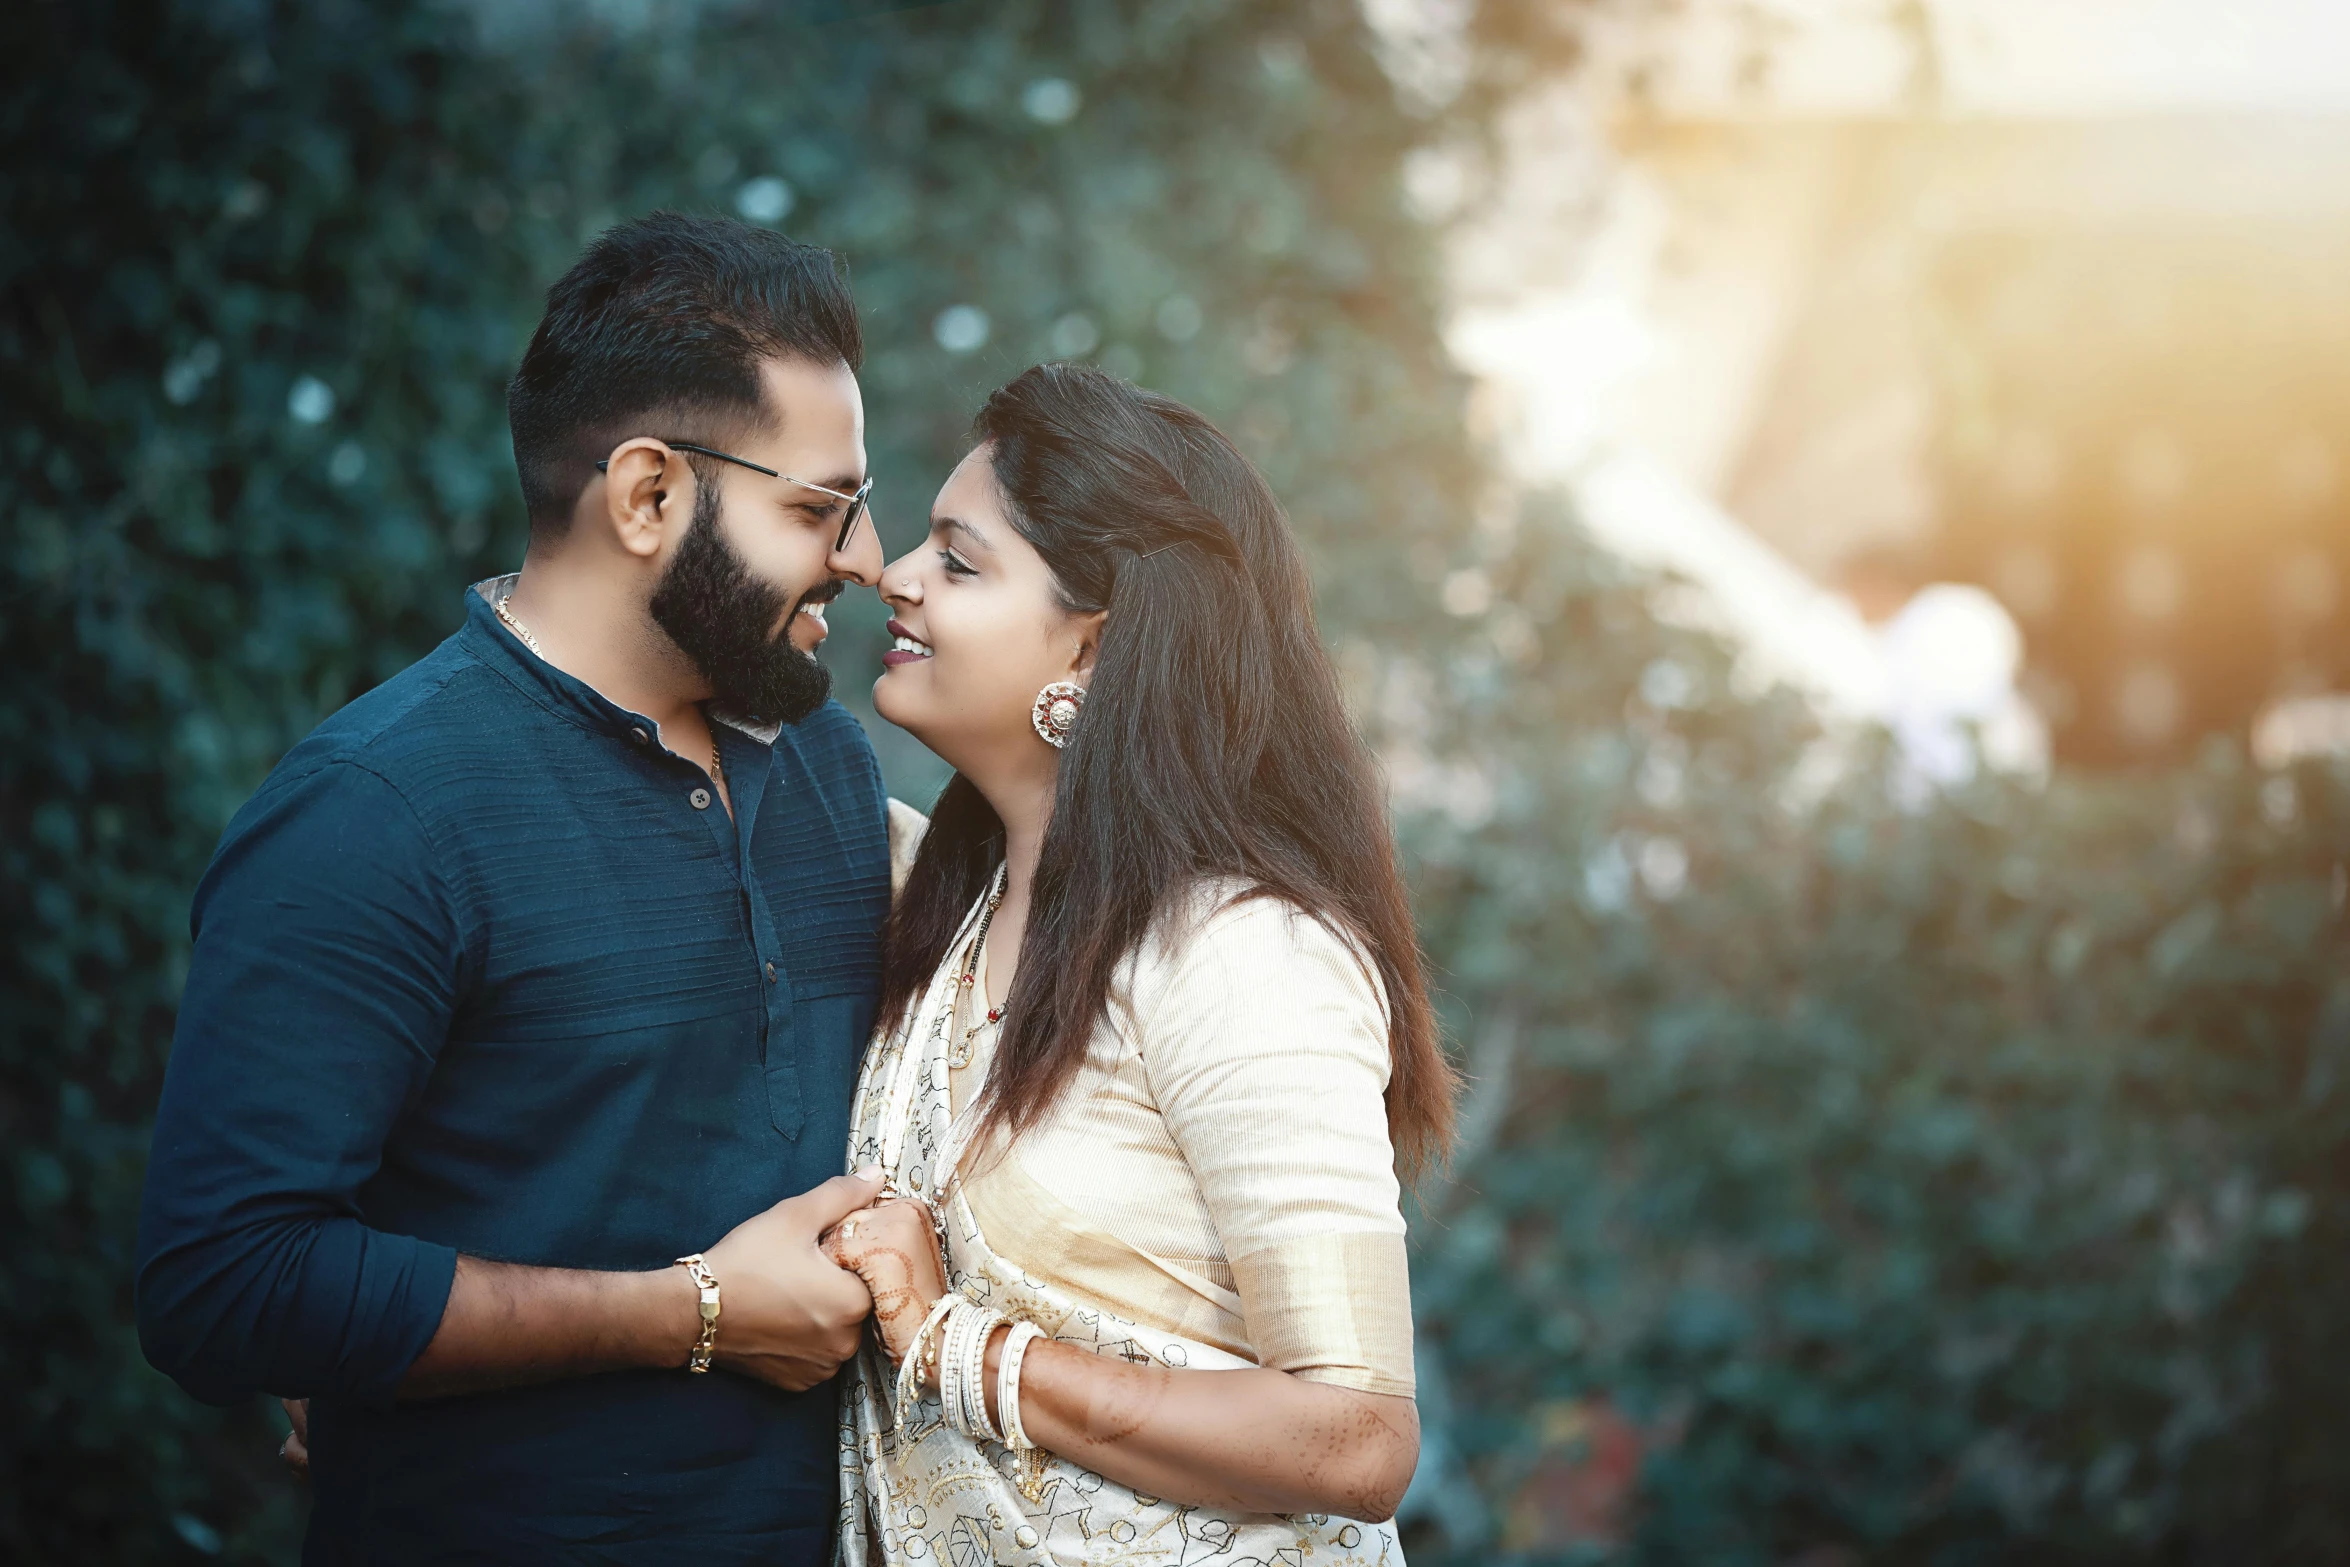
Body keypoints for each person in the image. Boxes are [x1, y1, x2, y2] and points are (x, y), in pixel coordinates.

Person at [136, 211, 896, 1563]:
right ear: (649, 494)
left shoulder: (830, 767)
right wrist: (698, 1308)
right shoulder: (377, 810)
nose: (866, 558)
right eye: (817, 509)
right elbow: (225, 1282)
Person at [823, 364, 1456, 1563]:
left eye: (960, 561)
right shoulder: (938, 904)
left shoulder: (1242, 951)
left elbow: (1358, 1437)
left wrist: (952, 1342)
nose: (896, 574)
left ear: (1098, 650)